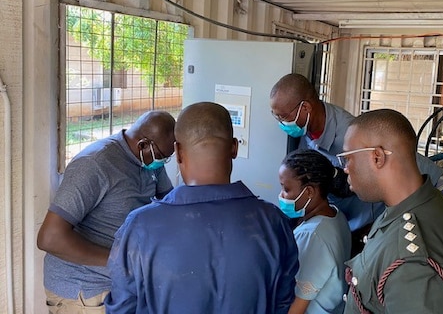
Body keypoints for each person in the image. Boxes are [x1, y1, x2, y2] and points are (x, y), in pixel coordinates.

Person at [104, 101, 300, 314]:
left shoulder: (140, 227)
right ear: (234, 148)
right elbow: (283, 302)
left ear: (177, 153)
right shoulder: (274, 222)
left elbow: (122, 308)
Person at [270, 73, 443, 254]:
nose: (282, 123)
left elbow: (404, 171)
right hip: (345, 222)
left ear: (305, 108)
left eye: (284, 117)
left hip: (371, 222)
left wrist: (378, 226)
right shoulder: (304, 131)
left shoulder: (352, 137)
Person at [37, 110, 176, 314]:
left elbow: (169, 204)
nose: (162, 163)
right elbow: (49, 238)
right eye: (162, 157)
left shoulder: (149, 161)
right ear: (143, 144)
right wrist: (121, 259)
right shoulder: (95, 164)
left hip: (122, 282)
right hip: (86, 291)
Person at [339, 109, 443, 313]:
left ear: (377, 157)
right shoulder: (417, 202)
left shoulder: (413, 266)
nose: (345, 168)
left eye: (348, 158)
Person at [279, 149, 351, 314]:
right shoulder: (335, 215)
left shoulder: (312, 236)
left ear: (309, 192)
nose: (281, 195)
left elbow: (296, 308)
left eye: (286, 189)